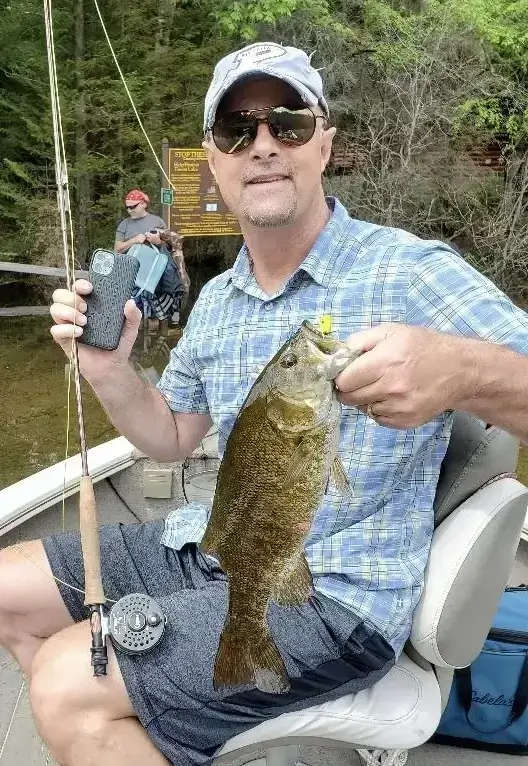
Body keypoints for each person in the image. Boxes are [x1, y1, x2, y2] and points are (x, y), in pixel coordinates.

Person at [1, 40, 528, 766]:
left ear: (325, 143)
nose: (263, 145)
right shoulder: (217, 300)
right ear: (214, 161)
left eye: (288, 122)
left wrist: (464, 369)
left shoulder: (408, 270)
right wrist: (108, 368)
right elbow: (173, 436)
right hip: (215, 546)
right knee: (7, 588)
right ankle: (117, 735)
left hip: (336, 597)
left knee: (67, 680)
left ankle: (104, 723)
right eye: (236, 130)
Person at [114, 188, 165, 254]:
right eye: (127, 207)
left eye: (132, 207)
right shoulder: (124, 224)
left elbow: (170, 247)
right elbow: (117, 250)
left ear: (143, 204)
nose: (129, 211)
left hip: (153, 263)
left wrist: (158, 242)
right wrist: (133, 240)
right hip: (129, 263)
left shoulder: (158, 221)